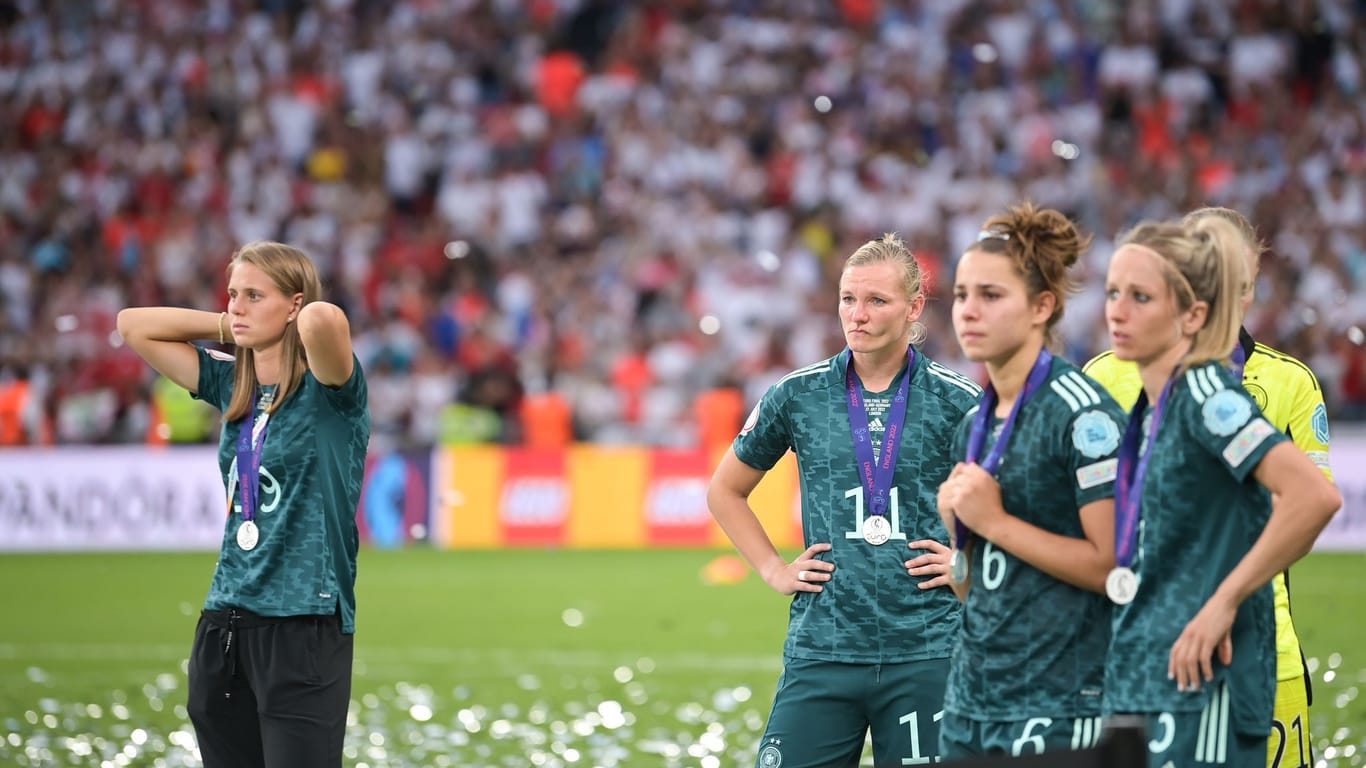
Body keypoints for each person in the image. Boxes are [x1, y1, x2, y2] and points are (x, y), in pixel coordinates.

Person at [706, 233, 981, 768]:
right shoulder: (797, 395)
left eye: (877, 301)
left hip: (927, 649)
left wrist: (965, 563)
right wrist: (772, 569)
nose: (857, 314)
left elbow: (1013, 506)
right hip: (824, 647)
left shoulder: (959, 400)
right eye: (848, 298)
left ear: (914, 307)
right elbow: (725, 490)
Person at [1083, 207, 1334, 768]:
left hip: (1229, 647)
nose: (1118, 312)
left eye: (1239, 284)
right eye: (1113, 293)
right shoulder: (1119, 380)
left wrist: (1222, 599)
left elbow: (1312, 500)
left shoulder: (1219, 397)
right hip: (1140, 645)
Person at [116, 241, 370, 768]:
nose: (236, 305)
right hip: (223, 623)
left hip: (304, 623)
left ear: (293, 305)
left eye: (254, 295)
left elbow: (324, 318)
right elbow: (133, 325)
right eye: (232, 294)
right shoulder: (231, 382)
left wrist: (288, 317)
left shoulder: (332, 392)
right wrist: (232, 328)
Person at [935, 204, 1126, 758]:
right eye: (962, 294)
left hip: (1063, 706)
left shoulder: (1083, 415)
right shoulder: (973, 422)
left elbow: (1112, 567)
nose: (969, 311)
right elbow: (973, 589)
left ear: (1042, 306)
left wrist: (993, 521)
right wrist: (959, 541)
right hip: (971, 703)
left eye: (991, 296)